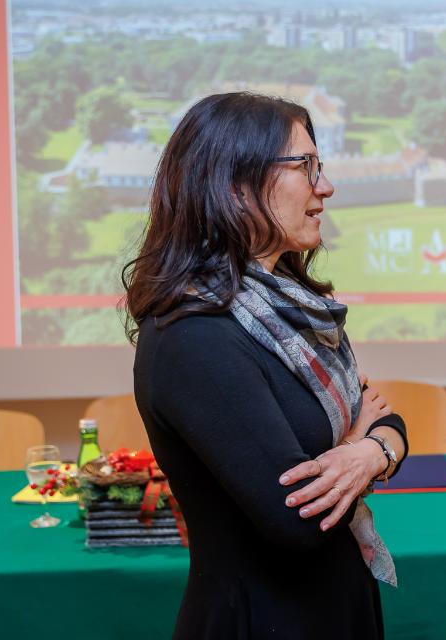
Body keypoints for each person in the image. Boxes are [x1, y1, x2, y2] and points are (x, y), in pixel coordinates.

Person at [125, 92, 408, 639]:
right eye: (306, 167)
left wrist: (371, 451)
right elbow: (297, 520)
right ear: (234, 185)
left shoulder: (290, 311)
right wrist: (362, 443)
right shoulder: (195, 337)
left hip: (332, 607)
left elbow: (385, 419)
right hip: (261, 621)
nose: (326, 187)